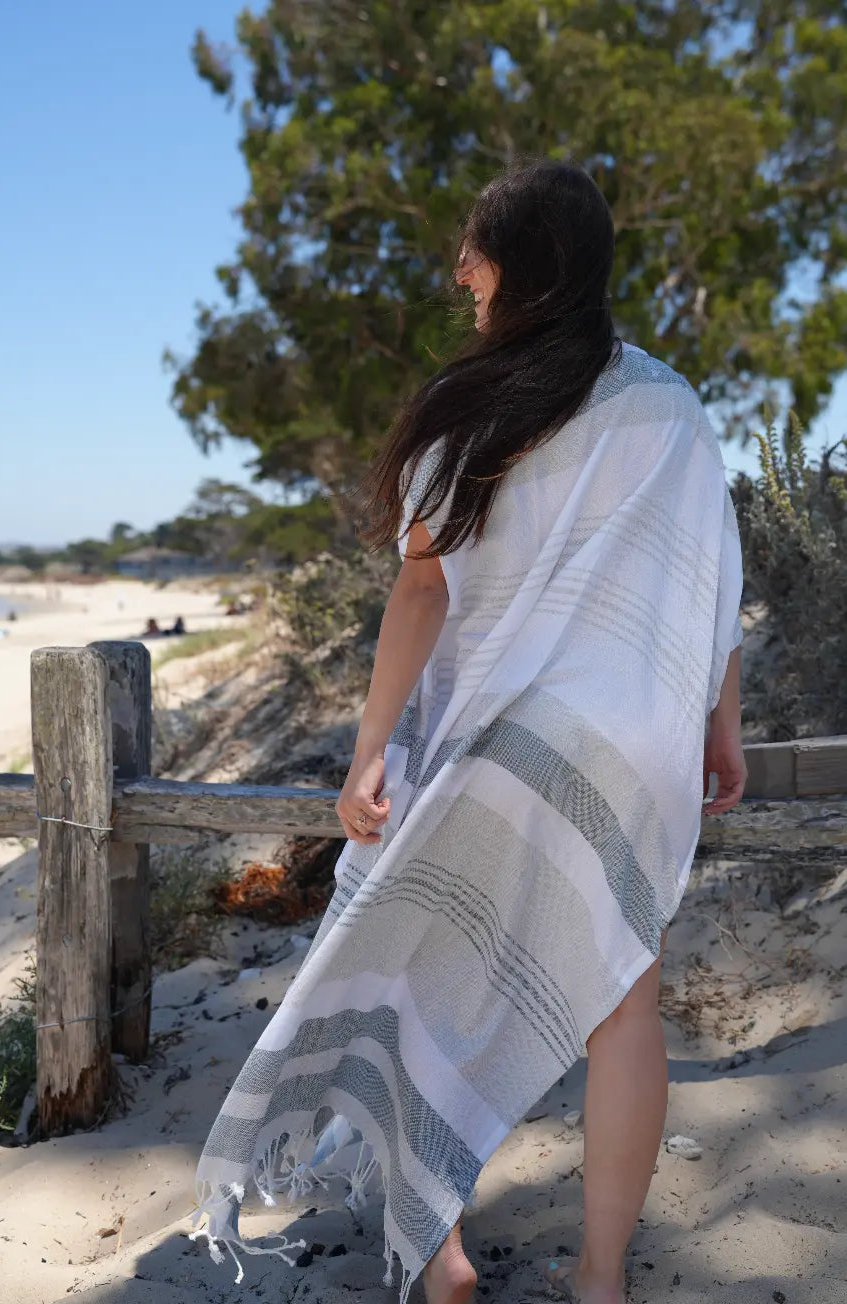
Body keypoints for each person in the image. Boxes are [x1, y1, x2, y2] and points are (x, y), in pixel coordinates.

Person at [191, 160, 746, 1304]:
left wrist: (369, 747)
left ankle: (440, 1255)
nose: (458, 271)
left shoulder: (468, 405)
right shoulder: (670, 406)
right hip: (631, 745)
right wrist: (719, 730)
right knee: (623, 1005)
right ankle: (600, 1276)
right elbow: (704, 592)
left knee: (431, 974)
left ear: (521, 262)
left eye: (471, 251)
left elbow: (419, 596)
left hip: (495, 742)